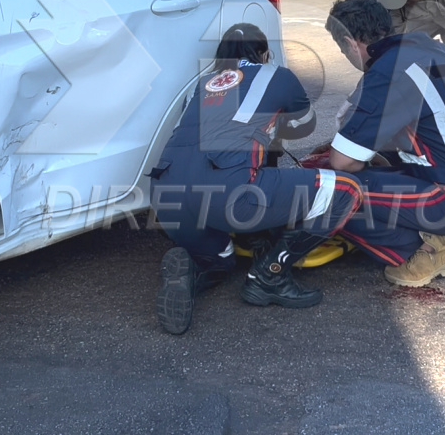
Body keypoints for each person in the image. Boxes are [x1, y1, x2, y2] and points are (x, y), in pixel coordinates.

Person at [150, 24, 364, 334]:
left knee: (223, 259)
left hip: (166, 196)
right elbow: (304, 126)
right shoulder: (275, 74)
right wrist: (269, 126)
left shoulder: (201, 84)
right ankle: (270, 275)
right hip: (228, 193)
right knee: (346, 190)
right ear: (263, 54)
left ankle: (196, 268)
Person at [326, 0, 445, 287]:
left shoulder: (389, 70)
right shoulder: (432, 49)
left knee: (333, 193)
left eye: (343, 50)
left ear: (351, 44)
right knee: (380, 165)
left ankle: (429, 248)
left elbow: (342, 161)